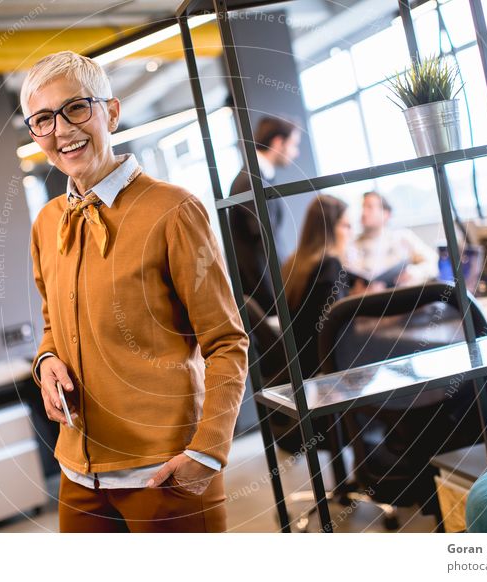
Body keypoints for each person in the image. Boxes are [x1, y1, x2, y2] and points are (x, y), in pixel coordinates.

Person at [23, 51, 249, 532]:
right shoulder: (46, 224)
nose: (62, 130)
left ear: (111, 111)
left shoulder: (173, 210)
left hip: (164, 470)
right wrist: (45, 363)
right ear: (34, 134)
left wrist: (208, 452)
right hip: (78, 474)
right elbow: (51, 324)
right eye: (44, 119)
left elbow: (227, 343)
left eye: (76, 108)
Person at [229, 116, 301, 314]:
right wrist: (285, 293)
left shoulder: (260, 177)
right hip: (264, 297)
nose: (296, 153)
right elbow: (266, 243)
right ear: (278, 142)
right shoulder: (250, 181)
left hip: (266, 293)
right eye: (294, 145)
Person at [281, 195, 353, 379]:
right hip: (324, 371)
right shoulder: (330, 265)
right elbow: (337, 327)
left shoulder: (294, 263)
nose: (351, 232)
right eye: (346, 225)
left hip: (302, 366)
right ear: (329, 229)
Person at [347, 191, 438, 291]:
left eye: (369, 207)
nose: (364, 212)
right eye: (363, 207)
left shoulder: (403, 237)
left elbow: (432, 262)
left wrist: (413, 273)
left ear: (386, 214)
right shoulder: (351, 245)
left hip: (404, 296)